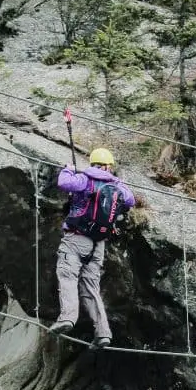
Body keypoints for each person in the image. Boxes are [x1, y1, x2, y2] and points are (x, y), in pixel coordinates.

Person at [50, 147, 135, 348]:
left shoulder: (85, 180)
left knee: (68, 275)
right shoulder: (117, 186)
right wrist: (118, 182)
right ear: (108, 166)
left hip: (76, 239)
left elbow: (63, 183)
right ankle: (103, 332)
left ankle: (68, 318)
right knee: (91, 287)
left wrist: (69, 169)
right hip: (98, 244)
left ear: (93, 163)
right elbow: (130, 200)